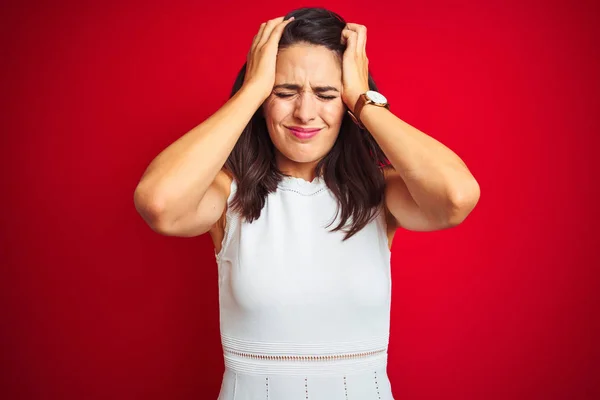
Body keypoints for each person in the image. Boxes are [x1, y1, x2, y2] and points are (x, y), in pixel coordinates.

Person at [134, 7, 480, 400]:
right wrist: (251, 91)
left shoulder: (380, 195)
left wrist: (363, 100)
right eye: (284, 92)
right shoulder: (226, 194)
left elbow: (456, 196)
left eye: (326, 94)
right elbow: (158, 203)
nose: (304, 112)